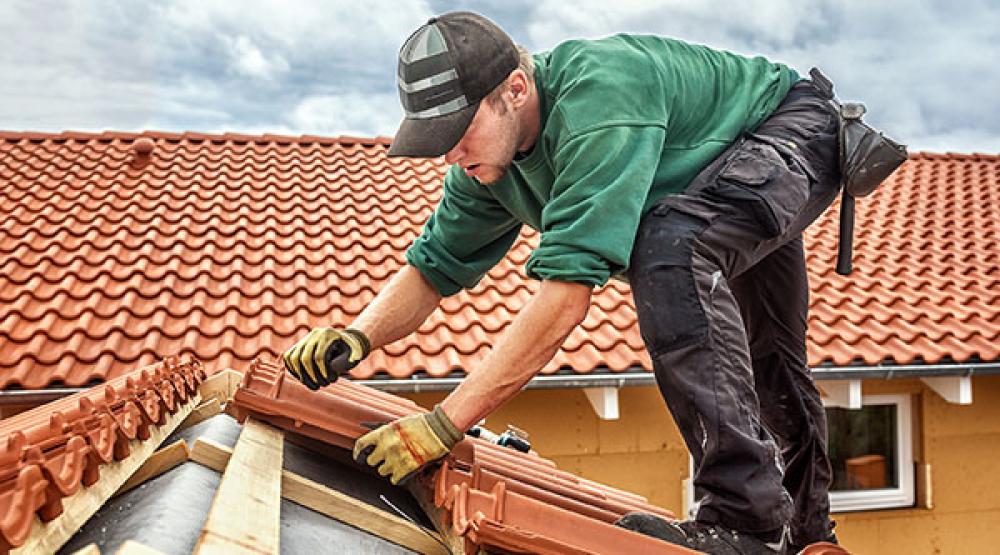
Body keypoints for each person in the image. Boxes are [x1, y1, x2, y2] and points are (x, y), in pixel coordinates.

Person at [283, 11, 843, 554]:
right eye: (438, 138)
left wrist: (443, 424)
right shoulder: (485, 168)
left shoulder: (597, 102)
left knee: (672, 251)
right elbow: (431, 270)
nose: (452, 154)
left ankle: (746, 518)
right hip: (720, 172)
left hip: (790, 128)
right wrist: (357, 336)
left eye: (459, 130)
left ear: (517, 89)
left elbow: (565, 299)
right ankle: (807, 535)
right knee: (764, 348)